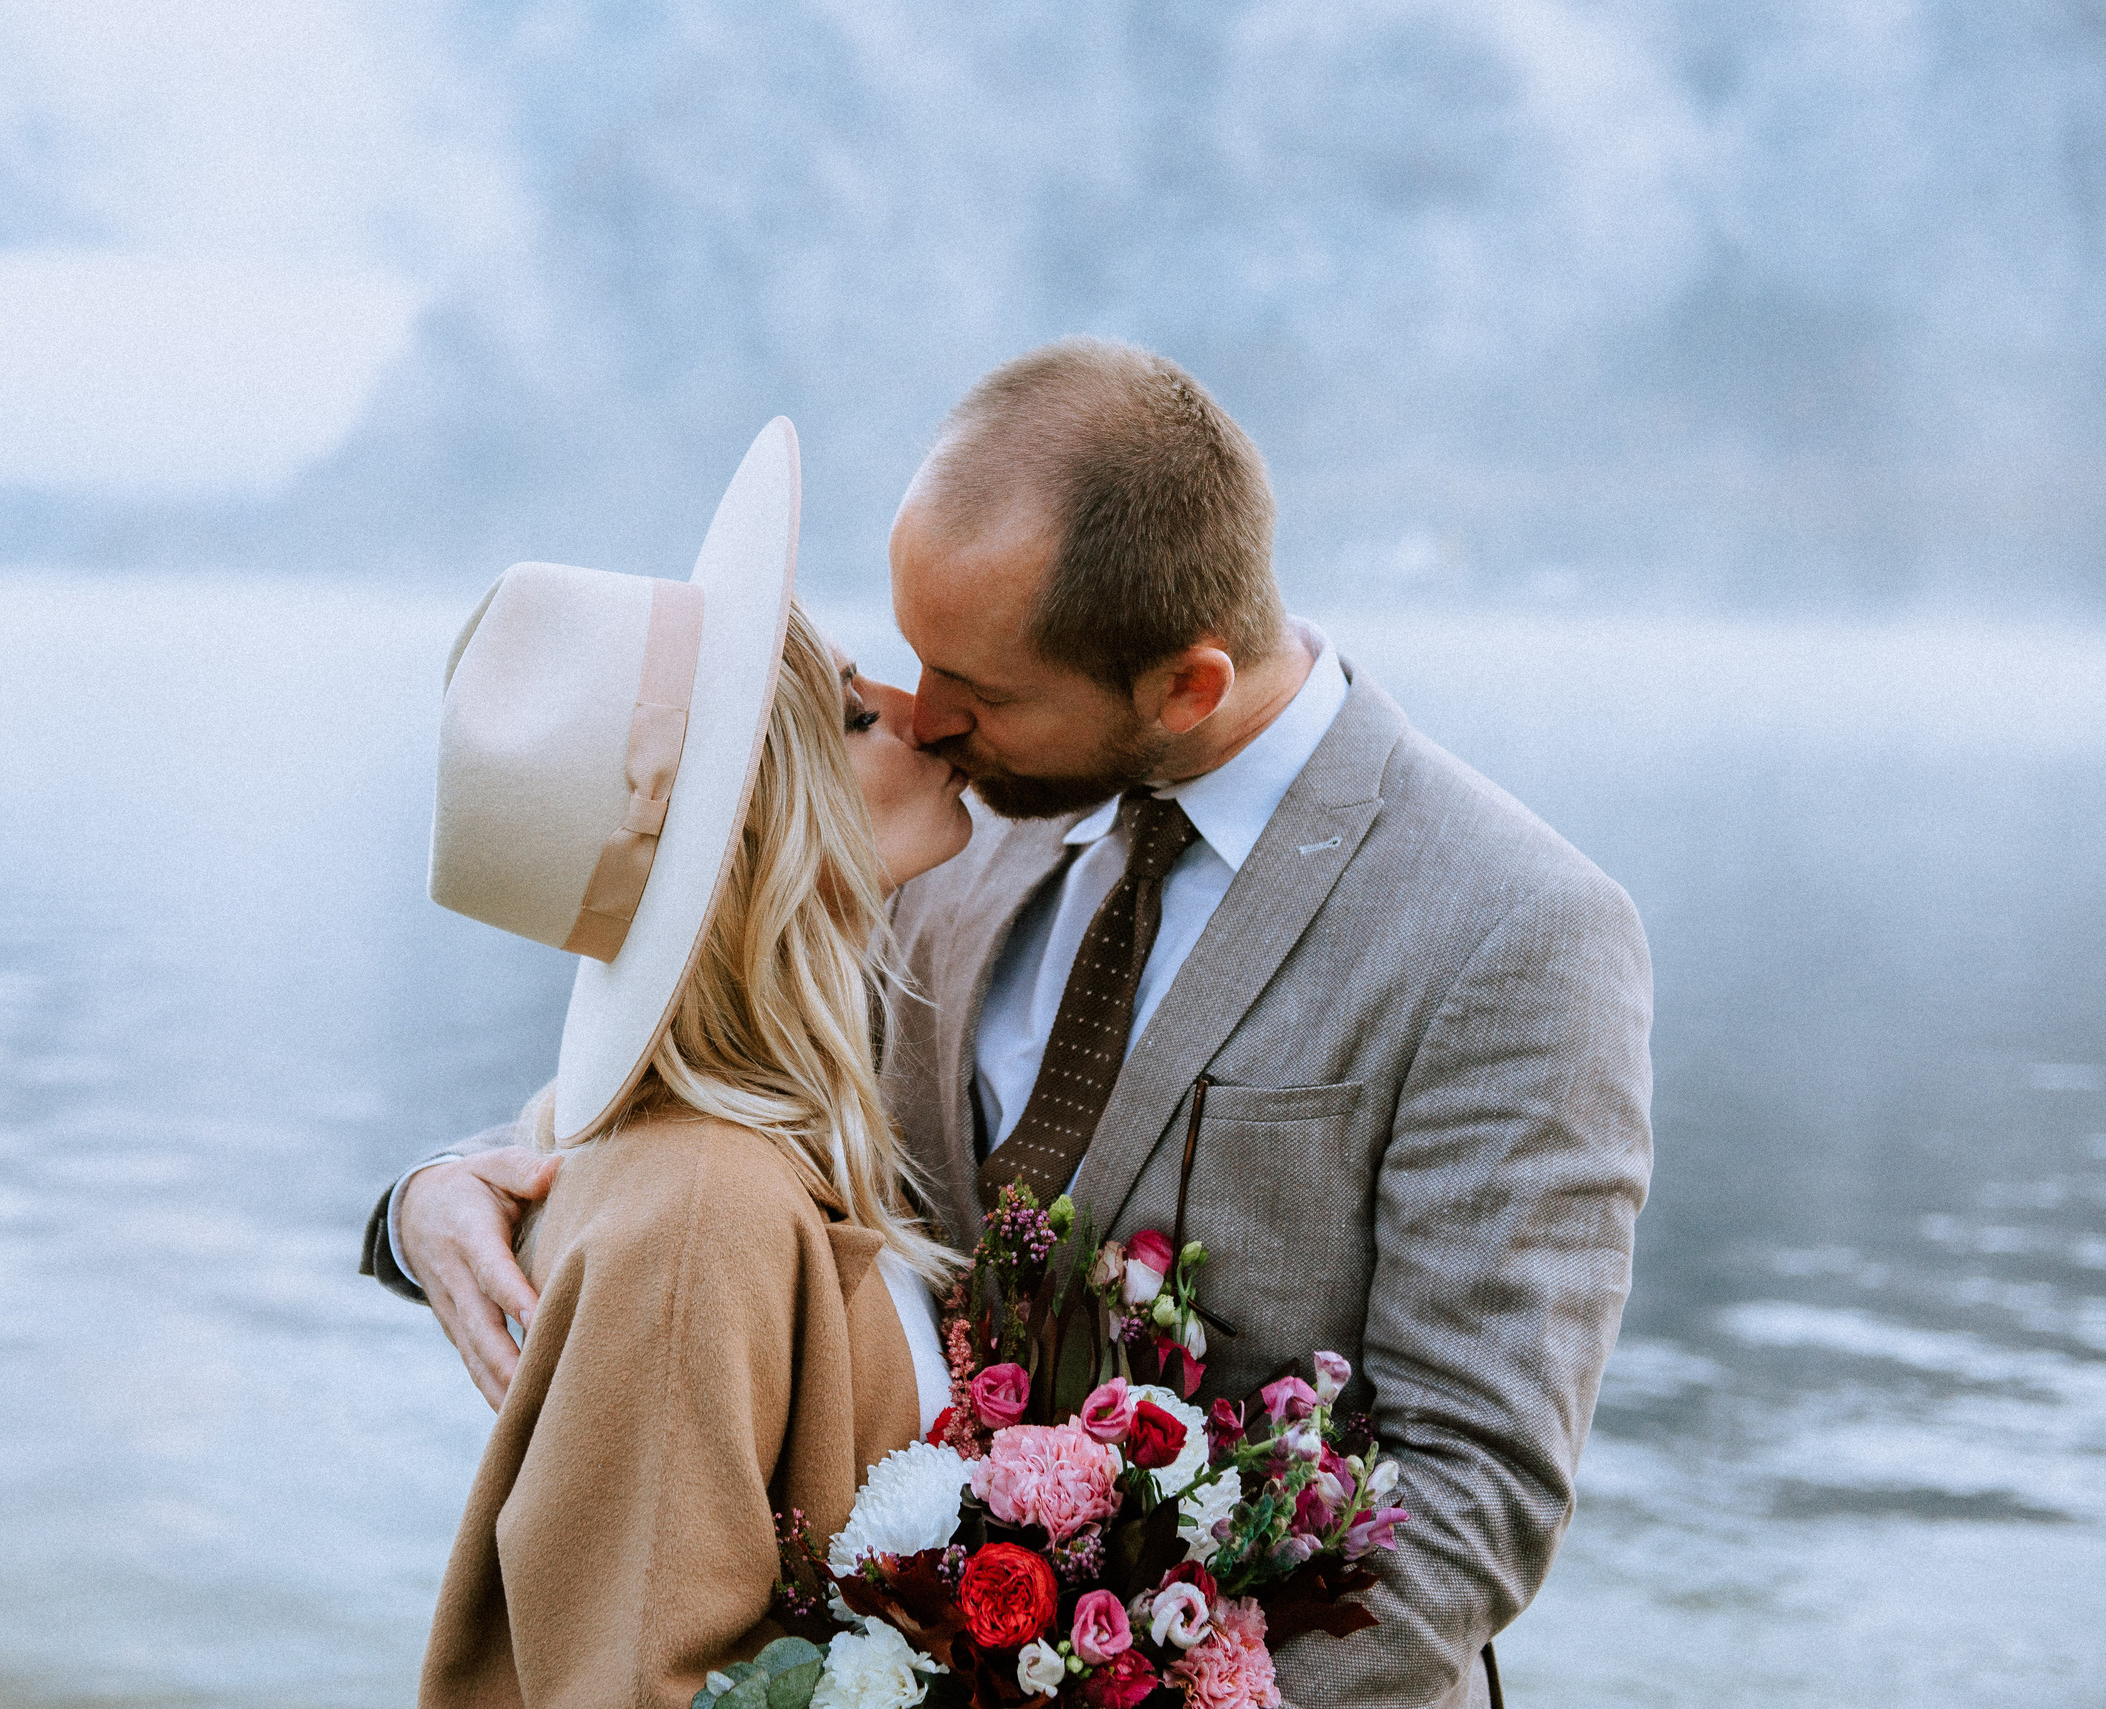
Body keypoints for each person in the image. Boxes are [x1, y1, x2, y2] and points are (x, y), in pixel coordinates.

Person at [373, 345, 1656, 1709]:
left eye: (976, 688)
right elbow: (712, 1070)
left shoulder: (1513, 927)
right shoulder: (949, 842)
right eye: (911, 665)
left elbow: (1474, 1491)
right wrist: (436, 1198)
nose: (927, 719)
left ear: (1186, 688)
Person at [404, 419, 974, 1706]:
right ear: (771, 823)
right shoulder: (708, 1209)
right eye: (847, 709)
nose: (913, 708)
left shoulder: (666, 1140)